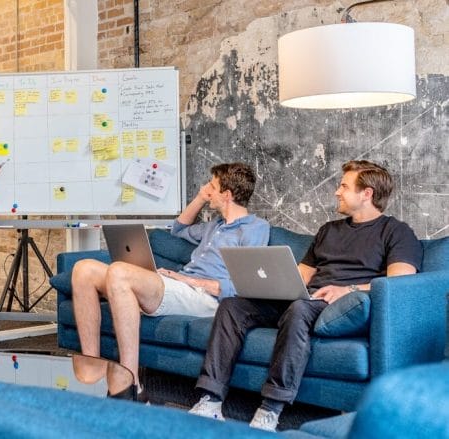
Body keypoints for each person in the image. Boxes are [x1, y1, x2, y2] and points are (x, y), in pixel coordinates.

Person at [189, 160, 423, 431]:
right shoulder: (329, 230)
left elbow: (399, 282)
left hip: (343, 304)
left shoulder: (396, 232)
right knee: (233, 306)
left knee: (299, 308)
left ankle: (270, 408)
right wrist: (270, 286)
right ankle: (211, 400)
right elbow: (301, 276)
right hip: (307, 299)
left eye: (344, 186)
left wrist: (348, 290)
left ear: (366, 193)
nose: (336, 191)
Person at [72, 163, 270, 401]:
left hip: (206, 298)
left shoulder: (255, 229)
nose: (206, 189)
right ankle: (92, 363)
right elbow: (178, 228)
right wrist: (200, 198)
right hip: (181, 287)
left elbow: (243, 285)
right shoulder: (214, 226)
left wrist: (189, 279)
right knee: (84, 269)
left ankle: (132, 384)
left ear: (226, 195)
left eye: (212, 186)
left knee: (119, 272)